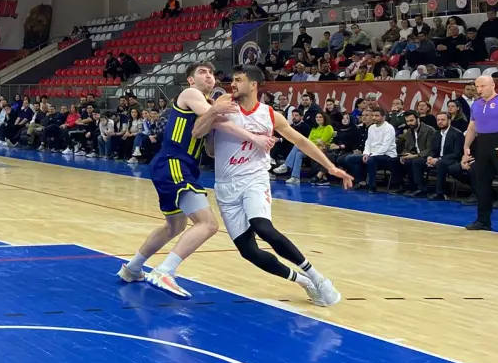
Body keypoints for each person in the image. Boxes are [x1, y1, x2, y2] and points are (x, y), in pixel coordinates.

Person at [118, 62, 268, 299]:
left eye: (211, 72)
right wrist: (253, 137)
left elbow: (210, 150)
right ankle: (165, 271)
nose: (208, 76)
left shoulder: (209, 106)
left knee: (175, 226)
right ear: (190, 80)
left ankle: (132, 268)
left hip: (178, 167)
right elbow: (215, 118)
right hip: (174, 162)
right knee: (208, 224)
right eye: (202, 72)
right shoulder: (191, 94)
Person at [213, 65, 348, 304]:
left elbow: (301, 141)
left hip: (254, 179)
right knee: (248, 251)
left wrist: (330, 166)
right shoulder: (225, 104)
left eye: (238, 80)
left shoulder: (270, 114)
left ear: (253, 85)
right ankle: (303, 281)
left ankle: (317, 277)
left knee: (262, 227)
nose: (232, 84)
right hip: (225, 184)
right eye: (232, 79)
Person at [461, 74, 498, 233]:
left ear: (493, 85)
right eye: (477, 87)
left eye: (482, 86)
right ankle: (483, 221)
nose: (479, 90)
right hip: (482, 145)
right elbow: (472, 127)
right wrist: (466, 147)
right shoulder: (476, 105)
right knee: (482, 185)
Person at [416, 111, 466, 199]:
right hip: (438, 159)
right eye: (438, 120)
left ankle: (440, 193)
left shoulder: (457, 134)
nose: (440, 122)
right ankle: (421, 189)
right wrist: (430, 157)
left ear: (449, 121)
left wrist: (438, 159)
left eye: (442, 120)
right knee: (417, 162)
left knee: (440, 163)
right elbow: (433, 150)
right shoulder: (437, 133)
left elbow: (457, 153)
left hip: (451, 160)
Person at [279, 111, 333, 183]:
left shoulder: (328, 128)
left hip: (320, 150)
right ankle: (295, 177)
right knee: (298, 153)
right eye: (317, 117)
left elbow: (322, 141)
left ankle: (286, 166)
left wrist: (314, 142)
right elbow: (309, 141)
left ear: (325, 118)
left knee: (298, 144)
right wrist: (316, 141)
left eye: (320, 117)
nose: (318, 118)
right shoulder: (314, 129)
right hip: (311, 149)